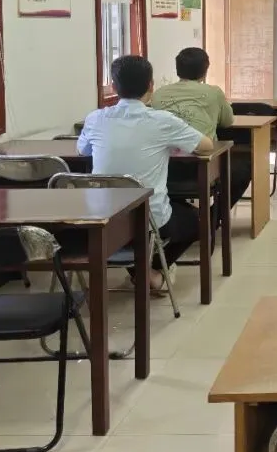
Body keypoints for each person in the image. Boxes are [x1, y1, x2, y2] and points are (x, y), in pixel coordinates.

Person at [78, 56, 214, 285]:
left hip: (102, 218)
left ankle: (142, 269)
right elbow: (206, 146)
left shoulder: (95, 118)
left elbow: (82, 150)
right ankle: (150, 272)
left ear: (114, 87)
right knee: (198, 219)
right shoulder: (162, 121)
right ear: (151, 86)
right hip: (149, 219)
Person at [151, 47, 251, 207]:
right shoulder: (213, 92)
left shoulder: (158, 94)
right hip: (200, 166)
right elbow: (227, 121)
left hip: (163, 167)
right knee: (243, 168)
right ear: (205, 71)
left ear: (177, 70)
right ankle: (214, 215)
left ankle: (181, 211)